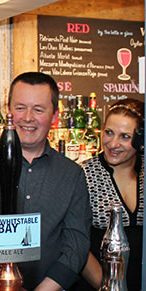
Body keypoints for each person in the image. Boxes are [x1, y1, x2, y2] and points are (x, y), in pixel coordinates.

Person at [0, 72, 91, 290]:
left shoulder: (72, 175)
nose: (27, 118)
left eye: (39, 109)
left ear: (54, 116)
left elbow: (76, 246)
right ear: (9, 110)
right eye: (20, 107)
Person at [77, 99, 144, 290]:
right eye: (108, 133)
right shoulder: (83, 175)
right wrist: (109, 286)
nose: (113, 144)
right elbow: (75, 243)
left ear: (141, 139)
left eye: (125, 136)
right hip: (98, 285)